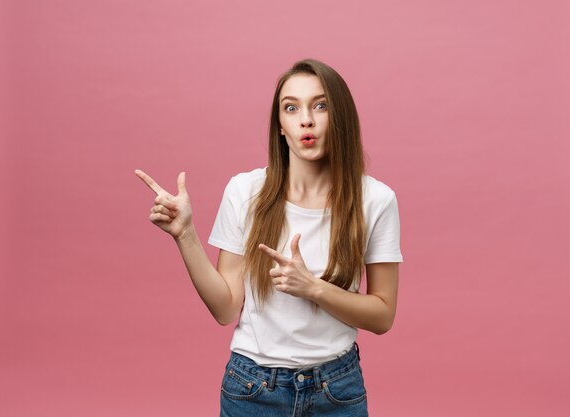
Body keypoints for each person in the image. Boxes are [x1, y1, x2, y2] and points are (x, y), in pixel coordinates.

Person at [135, 58, 403, 416]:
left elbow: (383, 315)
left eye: (320, 106)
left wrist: (313, 288)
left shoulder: (376, 200)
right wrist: (185, 235)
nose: (306, 119)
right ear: (280, 125)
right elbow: (225, 307)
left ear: (340, 117)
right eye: (291, 108)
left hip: (337, 389)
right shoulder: (245, 191)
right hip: (253, 389)